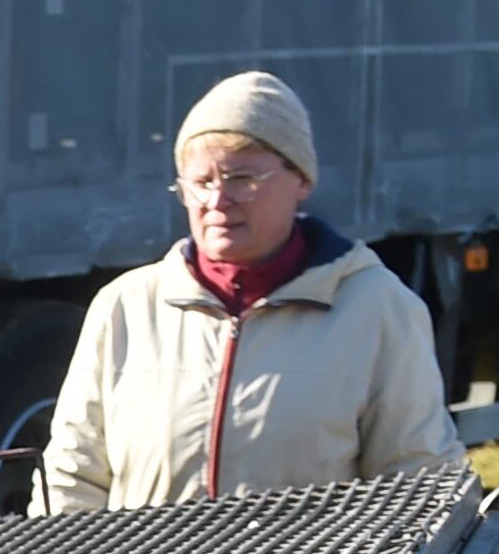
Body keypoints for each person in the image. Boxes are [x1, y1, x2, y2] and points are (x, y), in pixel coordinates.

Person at [38, 70, 462, 513]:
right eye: (200, 182)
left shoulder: (377, 308)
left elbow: (417, 481)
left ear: (301, 180)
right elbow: (73, 473)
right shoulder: (125, 307)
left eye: (242, 178)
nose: (217, 201)